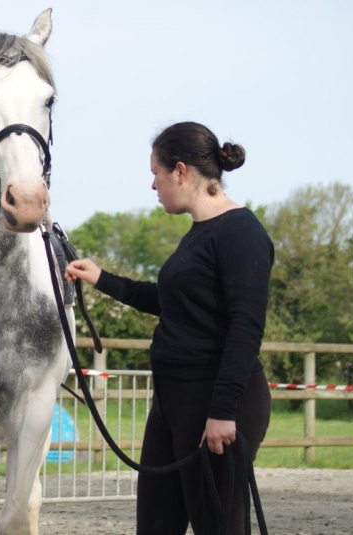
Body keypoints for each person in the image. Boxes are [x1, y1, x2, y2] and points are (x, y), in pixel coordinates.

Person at [65, 122, 274, 534]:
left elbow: (246, 329)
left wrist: (222, 412)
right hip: (173, 402)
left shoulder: (242, 233)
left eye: (156, 173)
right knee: (157, 526)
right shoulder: (199, 235)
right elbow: (169, 301)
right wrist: (102, 278)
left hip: (215, 404)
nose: (153, 185)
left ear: (181, 171)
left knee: (219, 527)